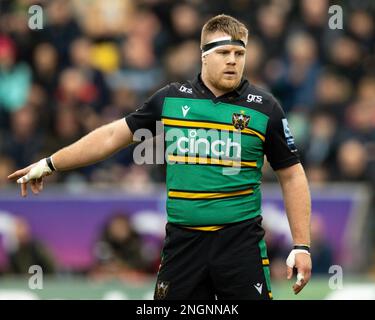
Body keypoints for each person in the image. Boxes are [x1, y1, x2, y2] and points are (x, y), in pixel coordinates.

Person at [8, 14, 311, 300]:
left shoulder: (265, 108)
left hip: (240, 245)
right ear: (204, 54)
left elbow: (292, 174)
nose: (233, 60)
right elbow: (113, 136)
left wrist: (301, 246)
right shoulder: (170, 98)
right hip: (183, 245)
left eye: (239, 53)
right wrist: (50, 163)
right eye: (224, 53)